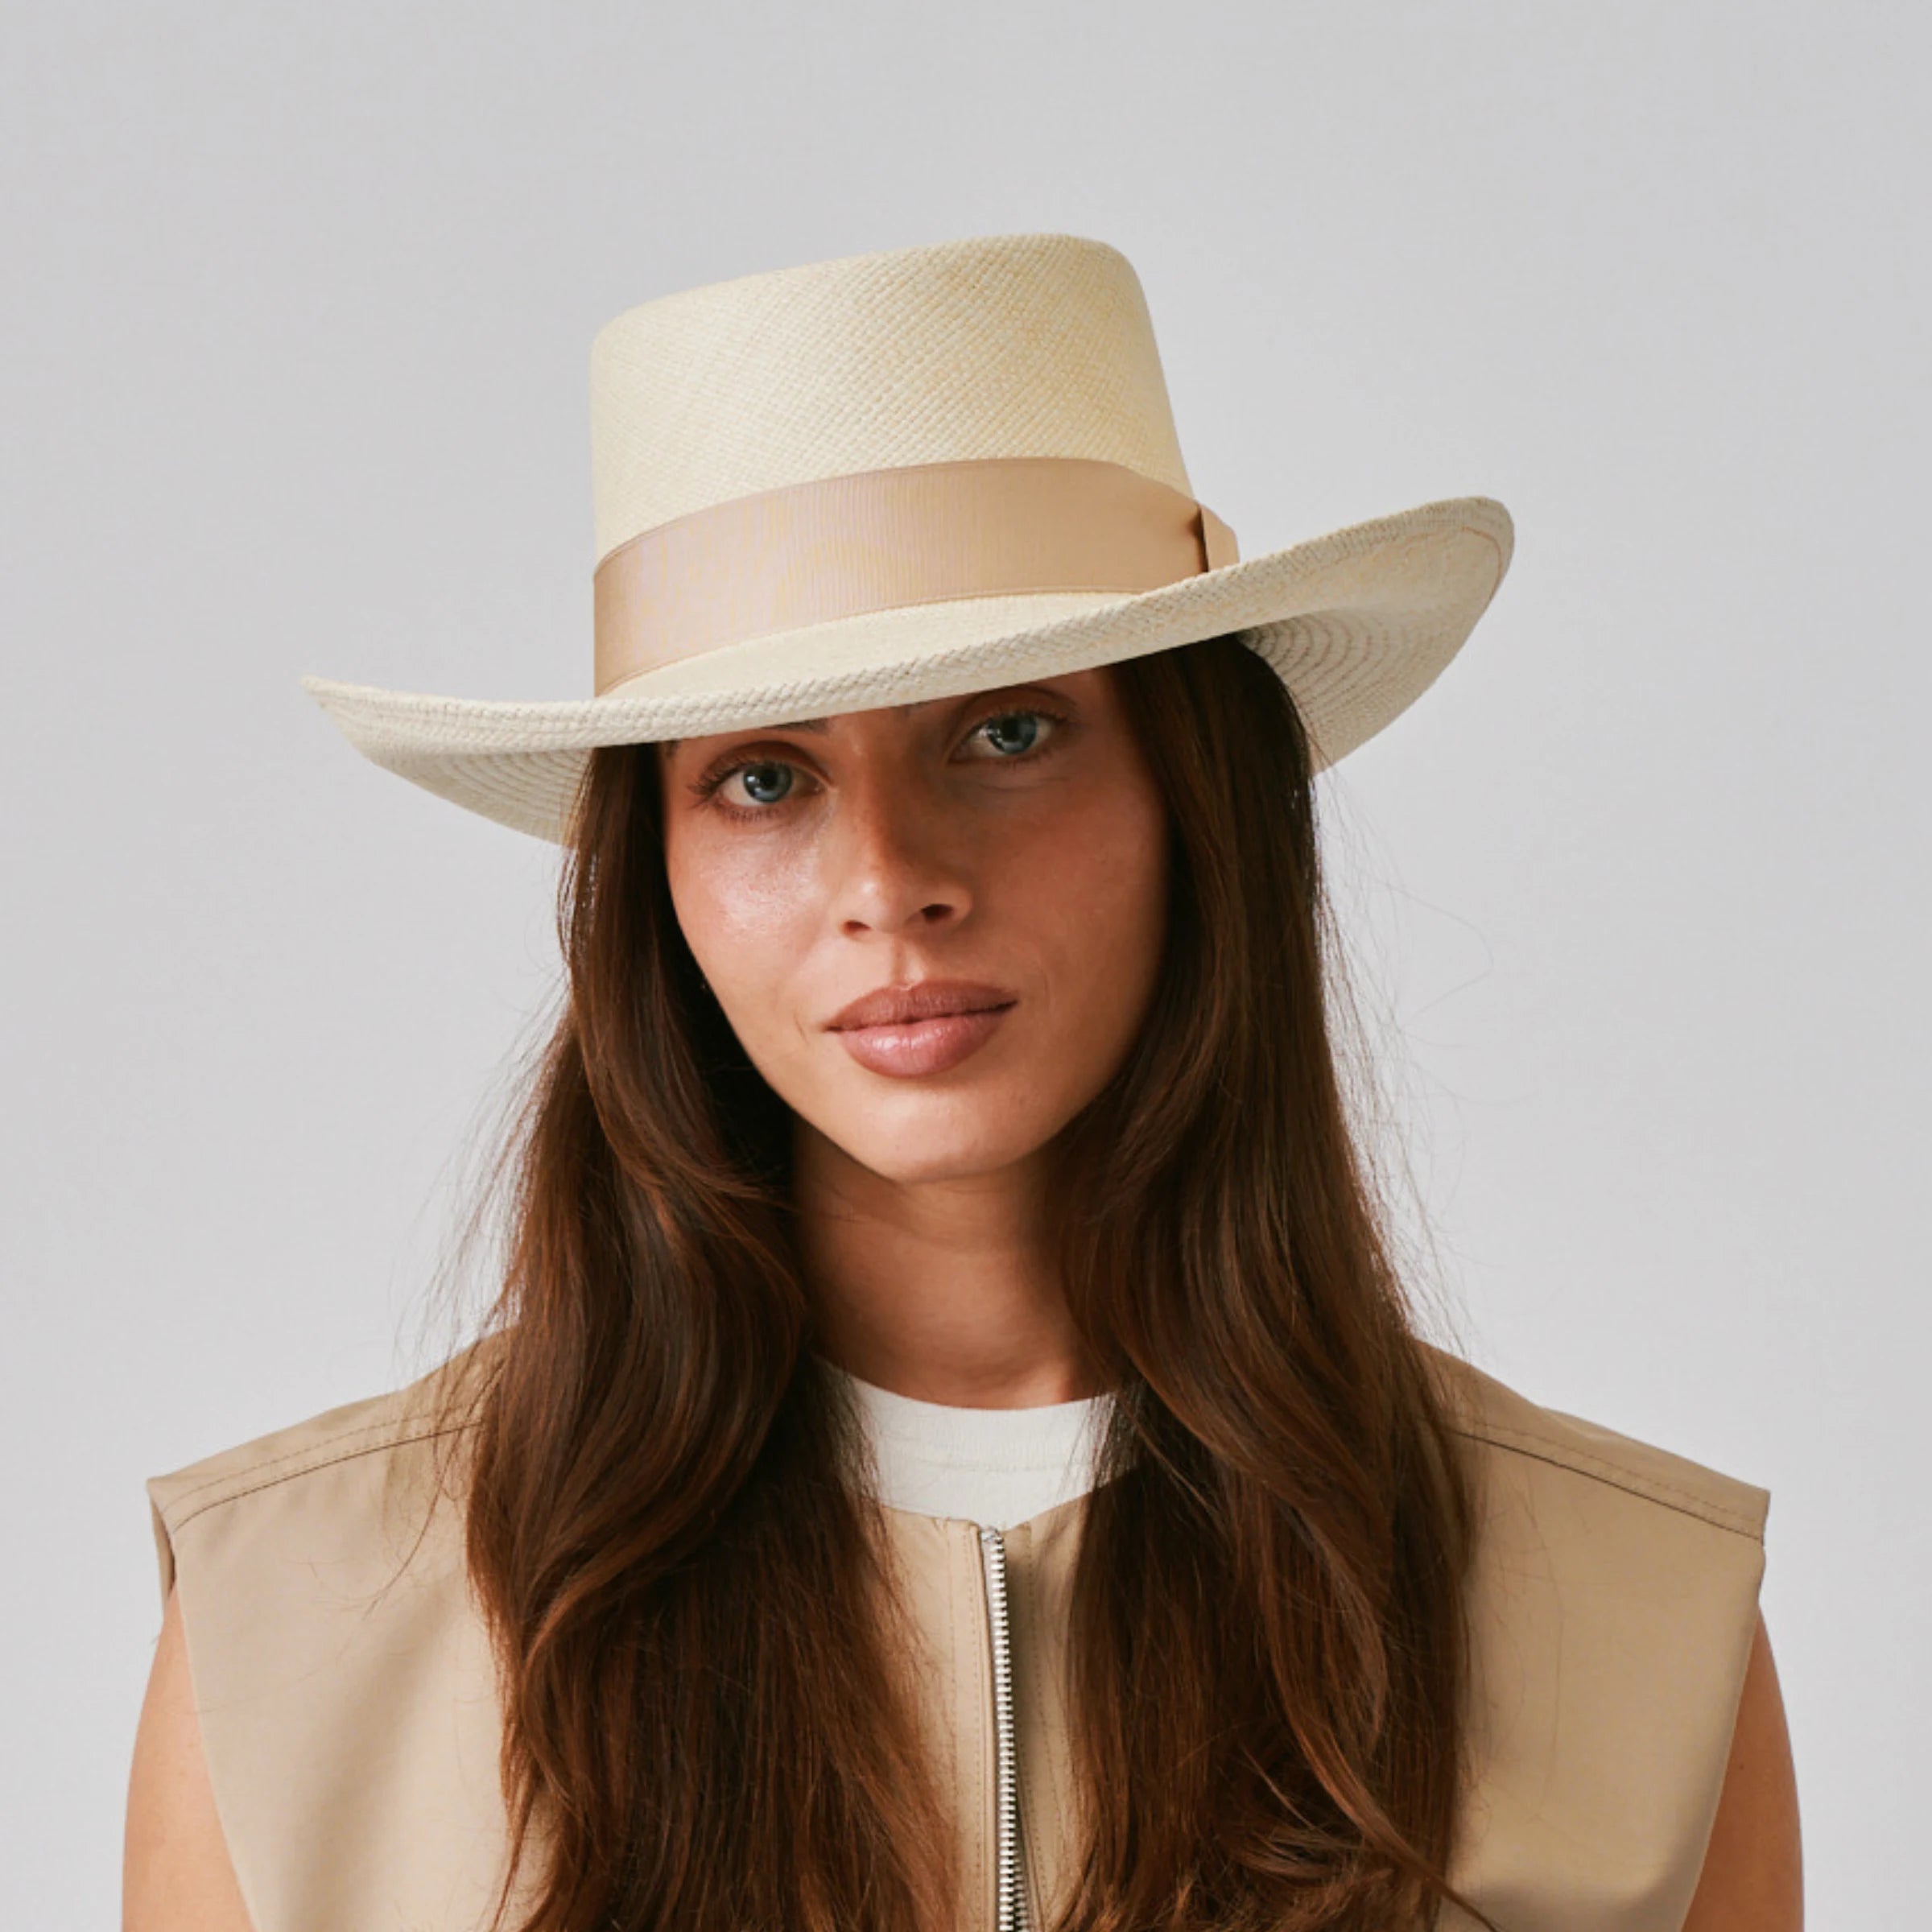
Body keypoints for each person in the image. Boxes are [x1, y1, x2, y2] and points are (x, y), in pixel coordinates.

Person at [124, 232, 1801, 1932]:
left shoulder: (1633, 1628)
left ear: (1191, 791)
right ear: (658, 878)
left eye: (1007, 731)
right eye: (765, 779)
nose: (889, 879)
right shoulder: (296, 1635)